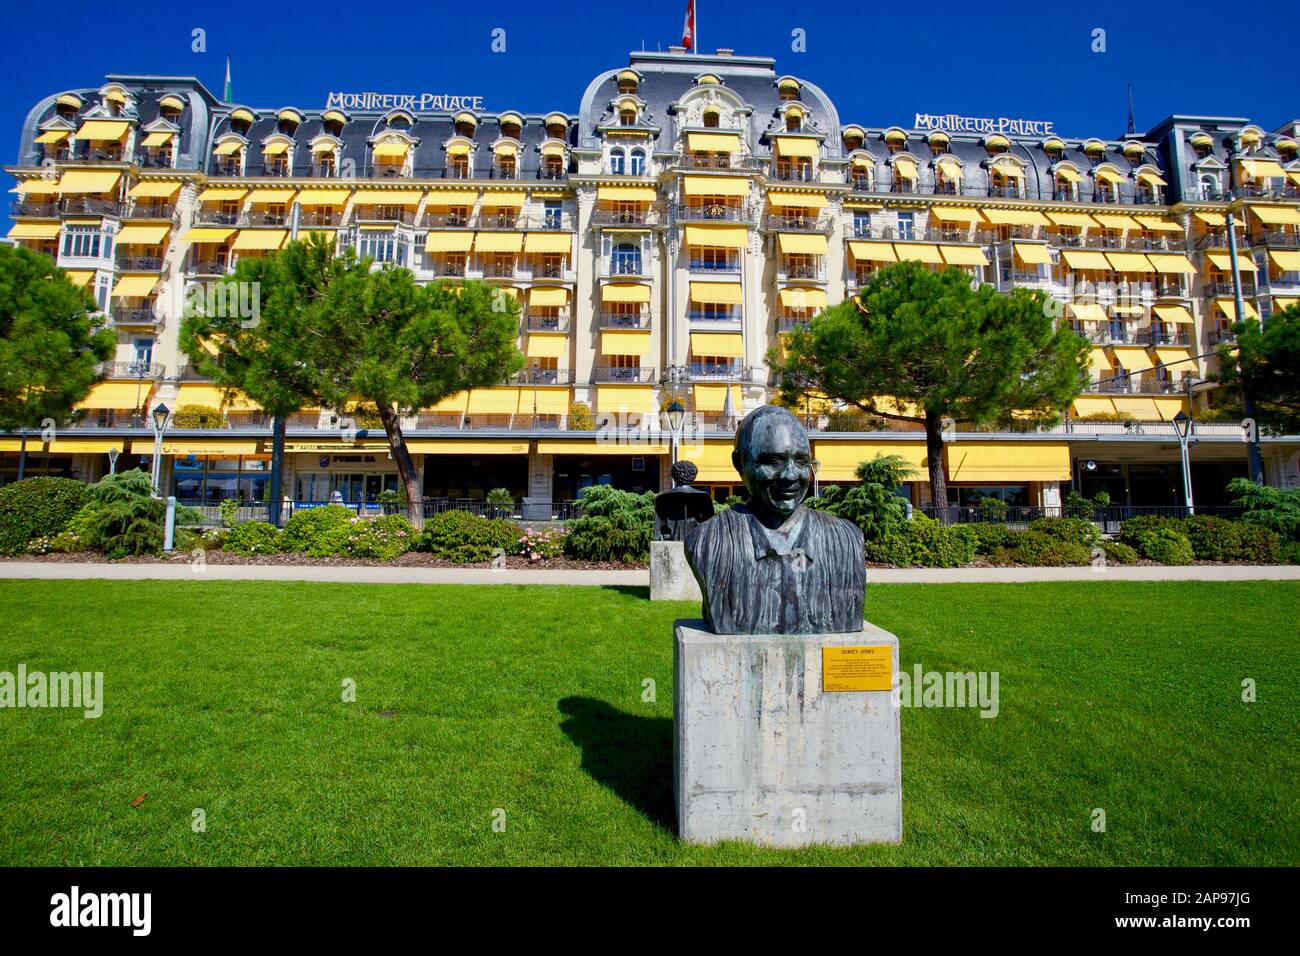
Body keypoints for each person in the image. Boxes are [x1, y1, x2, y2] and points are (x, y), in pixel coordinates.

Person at [684, 405, 865, 634]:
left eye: (801, 461)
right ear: (740, 463)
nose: (790, 475)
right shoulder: (708, 542)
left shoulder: (845, 541)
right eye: (773, 461)